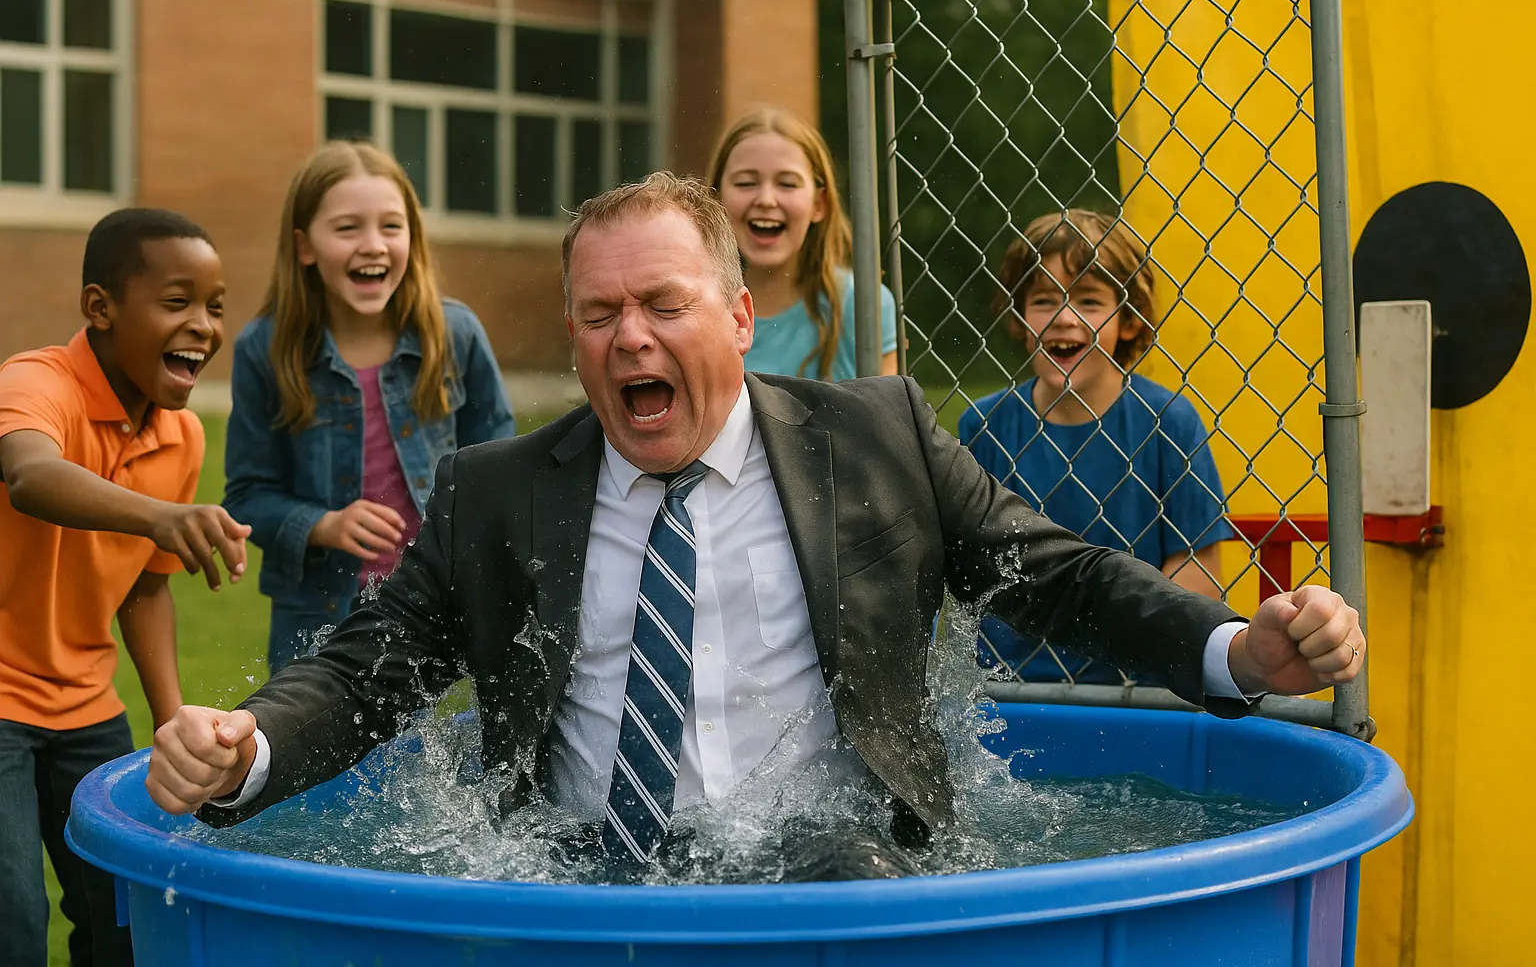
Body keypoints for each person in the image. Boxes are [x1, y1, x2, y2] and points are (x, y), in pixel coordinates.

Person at [146, 173, 1363, 880]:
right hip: (584, 878)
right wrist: (242, 745)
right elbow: (372, 670)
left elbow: (1063, 578)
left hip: (833, 873)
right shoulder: (494, 491)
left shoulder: (876, 436)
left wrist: (1238, 651)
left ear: (735, 316)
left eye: (662, 305)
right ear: (573, 337)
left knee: (844, 866)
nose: (630, 338)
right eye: (599, 313)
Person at [0, 209, 249, 966]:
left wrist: (175, 727)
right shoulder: (36, 382)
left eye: (214, 306)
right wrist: (161, 517)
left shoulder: (181, 435)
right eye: (177, 303)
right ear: (100, 308)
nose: (203, 326)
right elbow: (29, 476)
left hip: (85, 708)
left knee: (126, 919)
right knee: (13, 915)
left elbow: (145, 592)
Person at [223, 141, 516, 675]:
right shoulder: (264, 351)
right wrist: (323, 524)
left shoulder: (455, 335)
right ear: (304, 246)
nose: (373, 245)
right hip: (317, 615)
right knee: (316, 754)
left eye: (390, 226)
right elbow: (246, 497)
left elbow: (501, 469)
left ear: (412, 237)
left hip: (437, 605)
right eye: (347, 228)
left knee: (436, 755)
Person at [959, 210, 1233, 684]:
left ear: (1127, 320)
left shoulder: (1168, 421)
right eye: (1045, 299)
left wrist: (1130, 636)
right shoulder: (985, 424)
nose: (1064, 319)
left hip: (1136, 685)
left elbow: (1197, 569)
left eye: (1088, 300)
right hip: (1008, 689)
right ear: (1022, 318)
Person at [708, 106, 899, 380]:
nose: (765, 199)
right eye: (746, 183)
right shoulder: (695, 306)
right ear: (716, 200)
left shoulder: (862, 304)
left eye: (787, 184)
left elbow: (886, 419)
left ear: (818, 204)